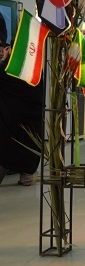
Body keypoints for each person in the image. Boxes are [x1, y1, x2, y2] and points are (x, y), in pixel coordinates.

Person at [0, 33, 43, 186]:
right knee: (28, 146)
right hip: (31, 119)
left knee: (5, 150)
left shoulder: (7, 68)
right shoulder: (35, 70)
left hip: (10, 121)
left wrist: (5, 59)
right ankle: (27, 176)